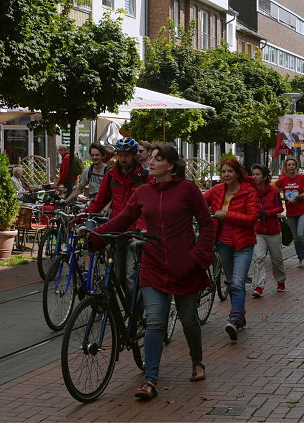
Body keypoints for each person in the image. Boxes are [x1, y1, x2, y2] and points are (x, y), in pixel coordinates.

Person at [87, 144, 214, 401]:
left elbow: (207, 224)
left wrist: (198, 256)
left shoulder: (187, 189)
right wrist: (96, 235)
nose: (151, 162)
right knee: (155, 321)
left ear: (170, 165)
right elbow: (123, 218)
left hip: (185, 266)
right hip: (153, 265)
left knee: (189, 319)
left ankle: (197, 361)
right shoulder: (144, 191)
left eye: (157, 159)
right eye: (151, 158)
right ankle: (150, 379)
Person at [203, 157, 259, 341]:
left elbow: (251, 218)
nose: (226, 175)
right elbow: (200, 201)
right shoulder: (218, 190)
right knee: (231, 281)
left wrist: (227, 215)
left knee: (237, 283)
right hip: (223, 244)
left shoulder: (248, 191)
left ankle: (234, 319)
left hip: (243, 244)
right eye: (223, 171)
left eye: (230, 171)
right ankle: (240, 314)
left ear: (237, 173)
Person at [85, 137, 149, 297]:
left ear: (134, 155)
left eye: (126, 155)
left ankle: (134, 314)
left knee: (130, 276)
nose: (122, 158)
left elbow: (149, 206)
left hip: (135, 233)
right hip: (116, 230)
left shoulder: (144, 176)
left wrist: (143, 227)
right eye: (120, 155)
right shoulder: (112, 175)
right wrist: (84, 215)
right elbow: (100, 201)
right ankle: (124, 311)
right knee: (117, 275)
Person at [250, 164, 286, 298]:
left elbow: (280, 208)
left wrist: (267, 213)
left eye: (258, 174)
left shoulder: (274, 191)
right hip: (258, 231)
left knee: (276, 259)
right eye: (253, 174)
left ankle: (280, 280)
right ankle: (258, 286)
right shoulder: (251, 191)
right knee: (259, 258)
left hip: (273, 231)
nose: (255, 177)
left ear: (265, 177)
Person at [274, 157, 304, 269]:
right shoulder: (283, 180)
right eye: (288, 165)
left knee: (300, 234)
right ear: (285, 168)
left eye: (292, 165)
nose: (291, 167)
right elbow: (271, 187)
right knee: (295, 237)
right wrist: (281, 197)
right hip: (290, 213)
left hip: (303, 211)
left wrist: (298, 197)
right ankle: (300, 258)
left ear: (296, 167)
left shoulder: (302, 177)